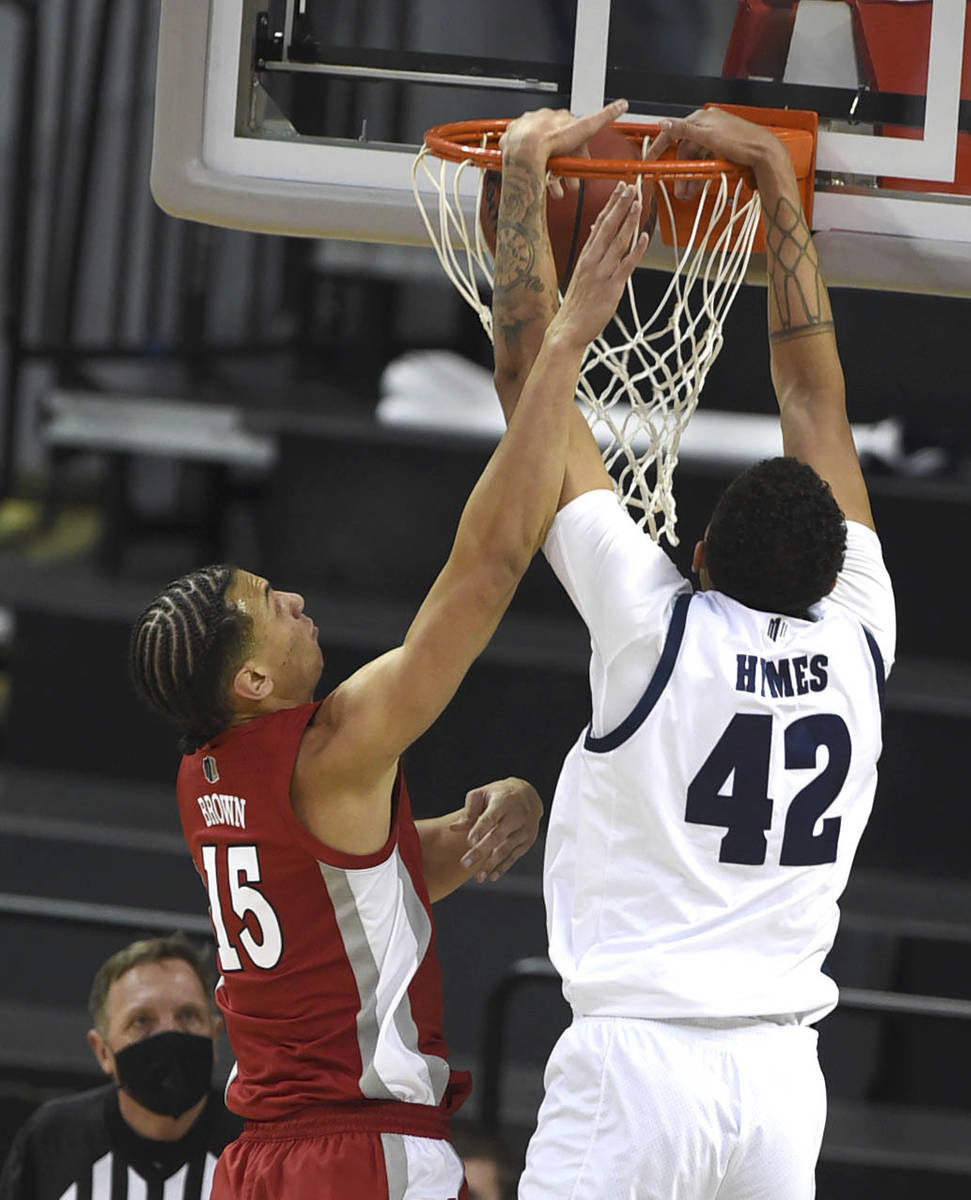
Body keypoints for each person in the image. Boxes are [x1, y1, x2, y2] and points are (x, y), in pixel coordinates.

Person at [126, 113, 649, 1200]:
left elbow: (344, 904)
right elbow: (488, 564)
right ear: (252, 682)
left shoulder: (207, 775)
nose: (296, 599)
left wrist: (458, 833)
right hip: (355, 1149)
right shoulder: (335, 744)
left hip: (262, 1160)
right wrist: (564, 343)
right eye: (272, 605)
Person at [490, 105, 896, 1199]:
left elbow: (531, 390)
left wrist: (525, 179)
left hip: (638, 1067)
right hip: (778, 1078)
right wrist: (775, 176)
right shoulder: (859, 632)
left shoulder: (652, 620)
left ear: (698, 552)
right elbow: (814, 402)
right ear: (832, 567)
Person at [0, 935, 242, 1200]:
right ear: (103, 1051)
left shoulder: (253, 1147)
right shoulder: (53, 1140)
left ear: (216, 1034)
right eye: (141, 1020)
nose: (170, 1033)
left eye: (188, 1015)